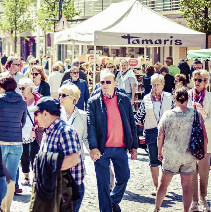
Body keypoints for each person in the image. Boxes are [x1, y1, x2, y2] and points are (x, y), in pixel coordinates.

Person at [87, 69, 138, 212]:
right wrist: (93, 147)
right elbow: (90, 126)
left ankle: (112, 201)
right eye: (102, 82)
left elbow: (131, 123)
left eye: (108, 82)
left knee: (124, 177)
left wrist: (134, 146)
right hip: (102, 149)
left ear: (115, 83)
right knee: (103, 184)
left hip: (120, 148)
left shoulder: (124, 99)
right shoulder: (93, 102)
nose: (104, 85)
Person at [153, 87, 206, 212]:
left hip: (171, 154)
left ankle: (157, 208)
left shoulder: (167, 115)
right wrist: (203, 151)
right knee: (187, 186)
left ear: (175, 99)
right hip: (189, 155)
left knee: (163, 184)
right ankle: (186, 211)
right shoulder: (196, 114)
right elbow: (204, 136)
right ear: (187, 99)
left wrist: (159, 151)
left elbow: (160, 136)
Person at [28, 97, 82, 212]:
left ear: (46, 114)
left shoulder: (65, 131)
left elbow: (73, 159)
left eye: (37, 114)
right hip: (55, 189)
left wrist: (47, 170)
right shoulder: (48, 130)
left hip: (67, 192)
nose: (35, 118)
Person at [0, 75, 27, 212]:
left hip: (1, 141)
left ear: (2, 87)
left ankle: (1, 205)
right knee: (11, 178)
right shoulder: (22, 102)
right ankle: (8, 209)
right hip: (17, 142)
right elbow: (23, 122)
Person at [134, 74, 173, 195]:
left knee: (166, 162)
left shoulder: (169, 97)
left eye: (158, 84)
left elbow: (174, 114)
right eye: (153, 84)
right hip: (151, 131)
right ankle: (157, 187)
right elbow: (139, 116)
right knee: (153, 160)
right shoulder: (146, 98)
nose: (155, 87)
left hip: (167, 132)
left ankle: (164, 186)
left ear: (163, 84)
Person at [58, 83, 87, 211]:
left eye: (64, 95)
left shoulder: (83, 116)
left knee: (77, 194)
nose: (60, 98)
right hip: (60, 163)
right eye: (59, 95)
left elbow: (86, 137)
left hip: (76, 165)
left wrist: (94, 151)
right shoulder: (56, 115)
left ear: (74, 99)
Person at [188, 70, 211, 212]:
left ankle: (204, 198)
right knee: (191, 172)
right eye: (195, 79)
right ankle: (194, 200)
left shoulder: (209, 97)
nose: (196, 82)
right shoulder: (188, 96)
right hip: (189, 139)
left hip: (205, 140)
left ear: (206, 82)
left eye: (200, 80)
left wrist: (203, 115)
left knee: (204, 172)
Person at [16, 78, 43, 192]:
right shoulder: (19, 100)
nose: (21, 90)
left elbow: (44, 113)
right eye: (20, 88)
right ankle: (26, 176)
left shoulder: (39, 100)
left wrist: (38, 125)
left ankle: (36, 178)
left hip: (35, 130)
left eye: (23, 88)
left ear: (30, 88)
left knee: (35, 155)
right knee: (24, 155)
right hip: (22, 131)